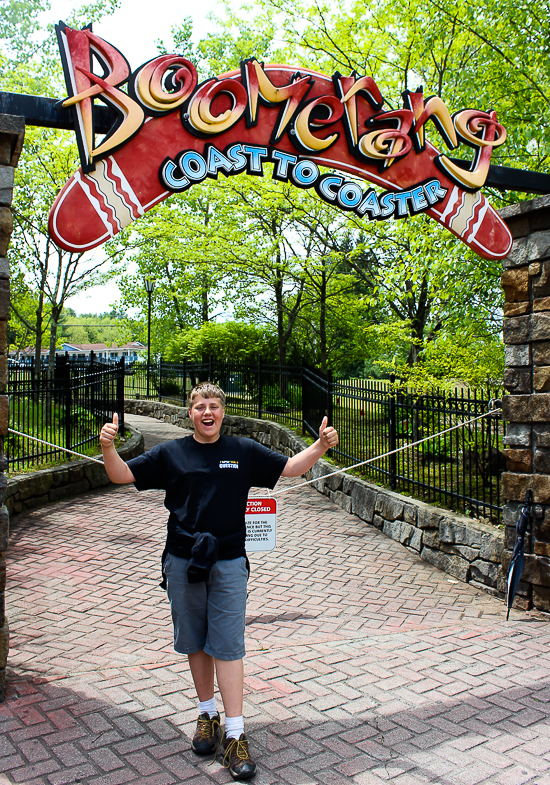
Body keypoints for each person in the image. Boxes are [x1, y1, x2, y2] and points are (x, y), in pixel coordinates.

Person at [100, 382, 338, 780]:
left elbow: (291, 467)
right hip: (183, 560)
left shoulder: (242, 451)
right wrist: (108, 447)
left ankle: (235, 734)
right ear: (189, 413)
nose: (206, 413)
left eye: (213, 406)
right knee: (195, 639)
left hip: (228, 562)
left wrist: (320, 447)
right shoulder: (171, 452)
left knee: (227, 645)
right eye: (199, 407)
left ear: (223, 412)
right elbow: (121, 475)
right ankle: (207, 714)